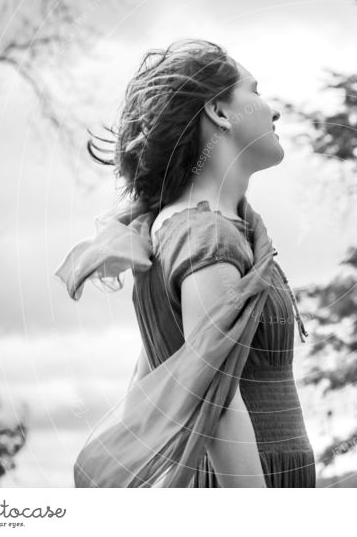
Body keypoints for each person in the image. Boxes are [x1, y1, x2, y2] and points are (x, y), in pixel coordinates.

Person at [54, 39, 315, 488]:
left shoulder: (191, 231)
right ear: (218, 111)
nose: (274, 110)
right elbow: (219, 403)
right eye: (255, 91)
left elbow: (151, 388)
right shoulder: (204, 236)